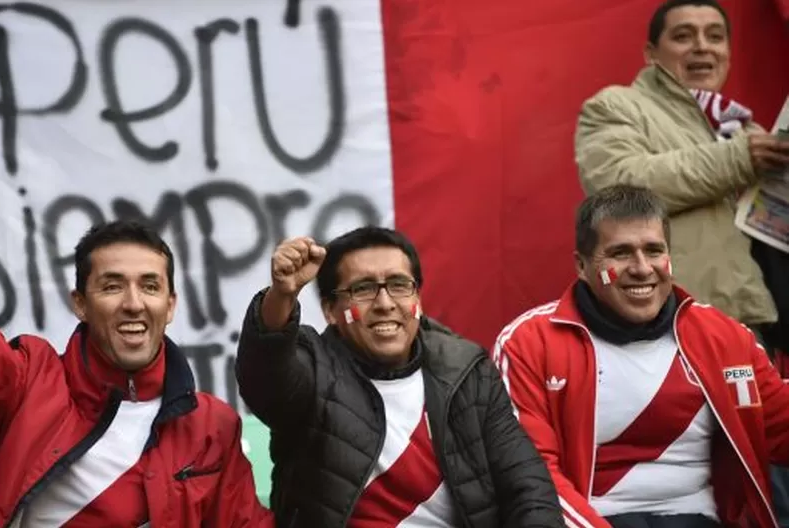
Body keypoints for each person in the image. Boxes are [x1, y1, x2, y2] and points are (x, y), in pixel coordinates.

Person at [0, 198, 272, 527]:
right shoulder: (29, 381)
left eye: (149, 286)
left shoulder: (212, 427)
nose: (133, 303)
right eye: (112, 286)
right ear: (80, 303)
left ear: (170, 305)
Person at [492, 185, 789, 528]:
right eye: (621, 253)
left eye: (654, 250)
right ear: (582, 265)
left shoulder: (723, 337)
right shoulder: (529, 343)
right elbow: (531, 478)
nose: (643, 268)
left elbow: (778, 427)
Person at [235, 226, 564, 527]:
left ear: (417, 298)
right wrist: (282, 295)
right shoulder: (313, 366)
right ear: (330, 311)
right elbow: (265, 379)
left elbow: (527, 486)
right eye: (363, 289)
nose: (385, 303)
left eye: (398, 285)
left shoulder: (467, 370)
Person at [574, 0, 789, 347]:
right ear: (651, 53)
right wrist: (738, 159)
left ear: (728, 53)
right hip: (667, 326)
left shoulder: (745, 131)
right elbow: (616, 186)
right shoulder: (616, 105)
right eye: (683, 36)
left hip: (749, 324)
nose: (702, 46)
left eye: (715, 36)